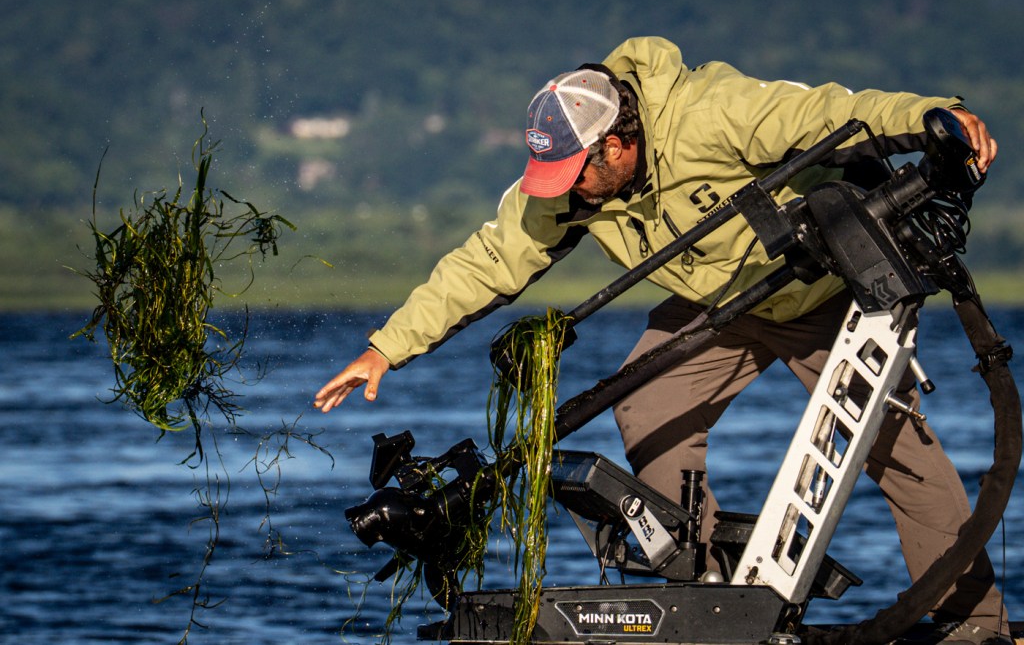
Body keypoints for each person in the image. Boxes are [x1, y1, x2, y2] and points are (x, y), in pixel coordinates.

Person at [315, 37, 1007, 643]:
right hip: (722, 300)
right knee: (645, 404)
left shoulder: (709, 112)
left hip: (829, 284)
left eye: (576, 175)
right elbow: (487, 261)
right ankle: (705, 591)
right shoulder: (571, 186)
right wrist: (386, 348)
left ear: (617, 145)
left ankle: (974, 625)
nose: (566, 194)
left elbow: (832, 113)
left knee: (899, 450)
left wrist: (935, 116)